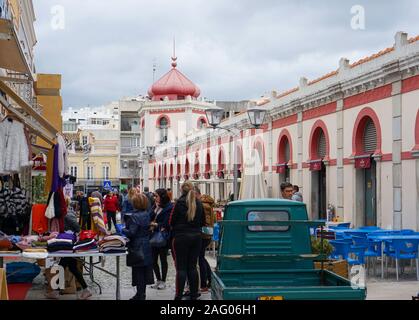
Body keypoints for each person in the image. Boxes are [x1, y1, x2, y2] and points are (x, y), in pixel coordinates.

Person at [45, 197, 92, 300]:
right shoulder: (63, 214)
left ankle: (57, 291)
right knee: (71, 267)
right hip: (67, 245)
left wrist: (69, 236)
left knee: (64, 265)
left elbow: (77, 228)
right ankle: (85, 290)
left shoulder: (67, 215)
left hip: (69, 245)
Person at [169, 181, 205, 300]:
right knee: (193, 267)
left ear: (181, 190)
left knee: (181, 268)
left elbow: (171, 221)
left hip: (180, 237)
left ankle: (178, 295)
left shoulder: (178, 203)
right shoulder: (199, 203)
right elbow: (203, 222)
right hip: (196, 237)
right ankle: (194, 294)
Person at [123, 191, 154, 300]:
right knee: (144, 270)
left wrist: (122, 229)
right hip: (146, 243)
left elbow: (132, 232)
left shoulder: (134, 216)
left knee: (139, 271)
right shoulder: (146, 214)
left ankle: (140, 294)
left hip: (137, 245)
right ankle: (142, 293)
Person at [149, 189, 173, 290]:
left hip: (163, 237)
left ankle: (163, 281)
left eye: (156, 196)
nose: (155, 198)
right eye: (154, 196)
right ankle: (158, 280)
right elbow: (149, 216)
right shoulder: (155, 206)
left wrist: (156, 224)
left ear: (162, 196)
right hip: (153, 235)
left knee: (163, 259)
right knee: (153, 260)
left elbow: (167, 223)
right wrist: (154, 211)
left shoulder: (169, 207)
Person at [196, 188, 216, 293]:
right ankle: (210, 279)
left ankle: (205, 283)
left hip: (203, 235)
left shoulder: (203, 206)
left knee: (201, 258)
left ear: (197, 194)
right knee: (202, 258)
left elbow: (205, 222)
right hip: (207, 234)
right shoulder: (208, 204)